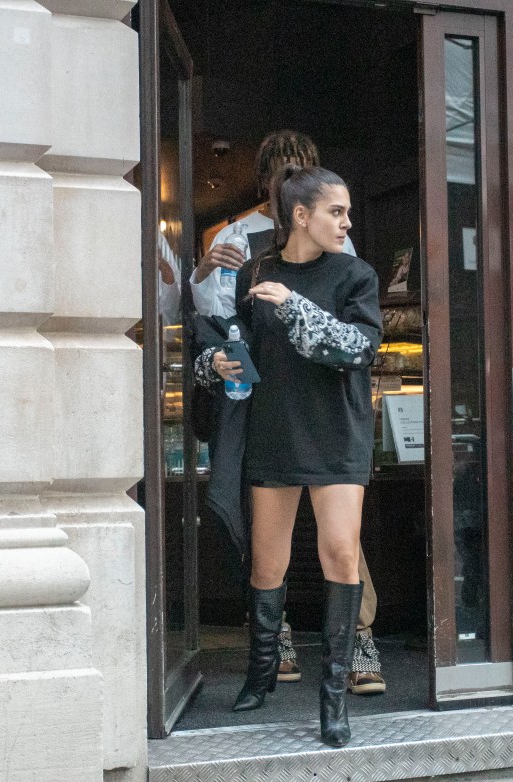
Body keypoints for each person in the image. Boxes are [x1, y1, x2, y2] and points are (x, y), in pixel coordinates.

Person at [190, 130, 385, 695]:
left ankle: (350, 660)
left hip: (333, 429)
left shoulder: (351, 265)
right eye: (284, 175)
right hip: (274, 427)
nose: (346, 221)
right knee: (267, 557)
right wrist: (219, 366)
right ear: (279, 193)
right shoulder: (244, 251)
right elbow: (228, 331)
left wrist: (294, 303)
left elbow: (355, 343)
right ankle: (268, 659)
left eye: (304, 170)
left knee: (342, 550)